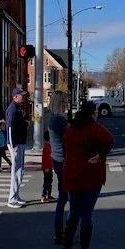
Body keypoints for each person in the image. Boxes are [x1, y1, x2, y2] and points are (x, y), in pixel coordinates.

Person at [59, 106, 114, 249]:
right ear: (92, 114)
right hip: (91, 174)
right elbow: (110, 140)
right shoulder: (94, 128)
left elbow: (65, 150)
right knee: (87, 213)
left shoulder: (70, 130)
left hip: (72, 174)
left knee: (73, 213)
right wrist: (100, 155)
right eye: (95, 113)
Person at [47, 94, 69, 236]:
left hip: (57, 159)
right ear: (60, 103)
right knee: (64, 197)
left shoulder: (54, 119)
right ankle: (59, 231)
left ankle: (60, 230)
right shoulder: (58, 121)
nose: (67, 104)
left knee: (64, 196)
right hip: (63, 162)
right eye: (65, 102)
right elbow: (68, 140)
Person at [5, 89, 31, 208]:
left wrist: (25, 123)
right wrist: (12, 145)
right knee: (16, 171)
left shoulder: (18, 108)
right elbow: (10, 127)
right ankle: (12, 199)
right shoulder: (12, 109)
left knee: (20, 171)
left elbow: (17, 124)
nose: (23, 97)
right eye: (21, 95)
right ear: (15, 96)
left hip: (20, 142)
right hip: (16, 144)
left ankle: (16, 196)